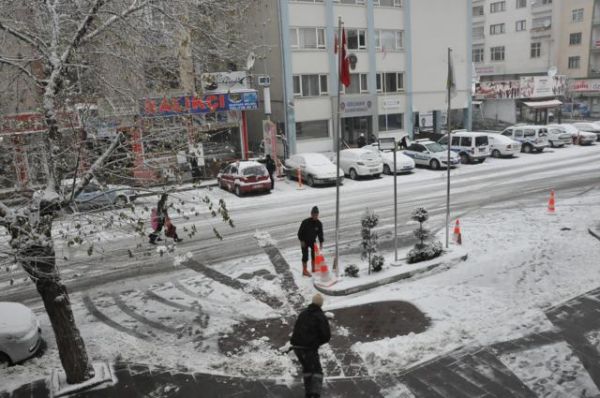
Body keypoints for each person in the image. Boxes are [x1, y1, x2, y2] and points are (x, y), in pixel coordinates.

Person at [290, 293, 331, 398]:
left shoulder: (303, 313)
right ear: (321, 304)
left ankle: (308, 393)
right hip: (308, 348)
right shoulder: (320, 316)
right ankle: (315, 395)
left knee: (307, 369)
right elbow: (326, 336)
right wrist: (315, 342)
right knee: (317, 371)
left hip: (297, 347)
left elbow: (297, 329)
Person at [297, 206, 324, 277]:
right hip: (304, 241)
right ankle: (304, 271)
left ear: (318, 214)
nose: (315, 216)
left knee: (314, 255)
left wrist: (321, 243)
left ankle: (313, 268)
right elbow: (299, 233)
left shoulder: (319, 224)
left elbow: (320, 234)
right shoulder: (305, 222)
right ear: (311, 214)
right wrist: (302, 241)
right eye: (314, 214)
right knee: (305, 255)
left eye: (316, 214)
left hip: (312, 241)